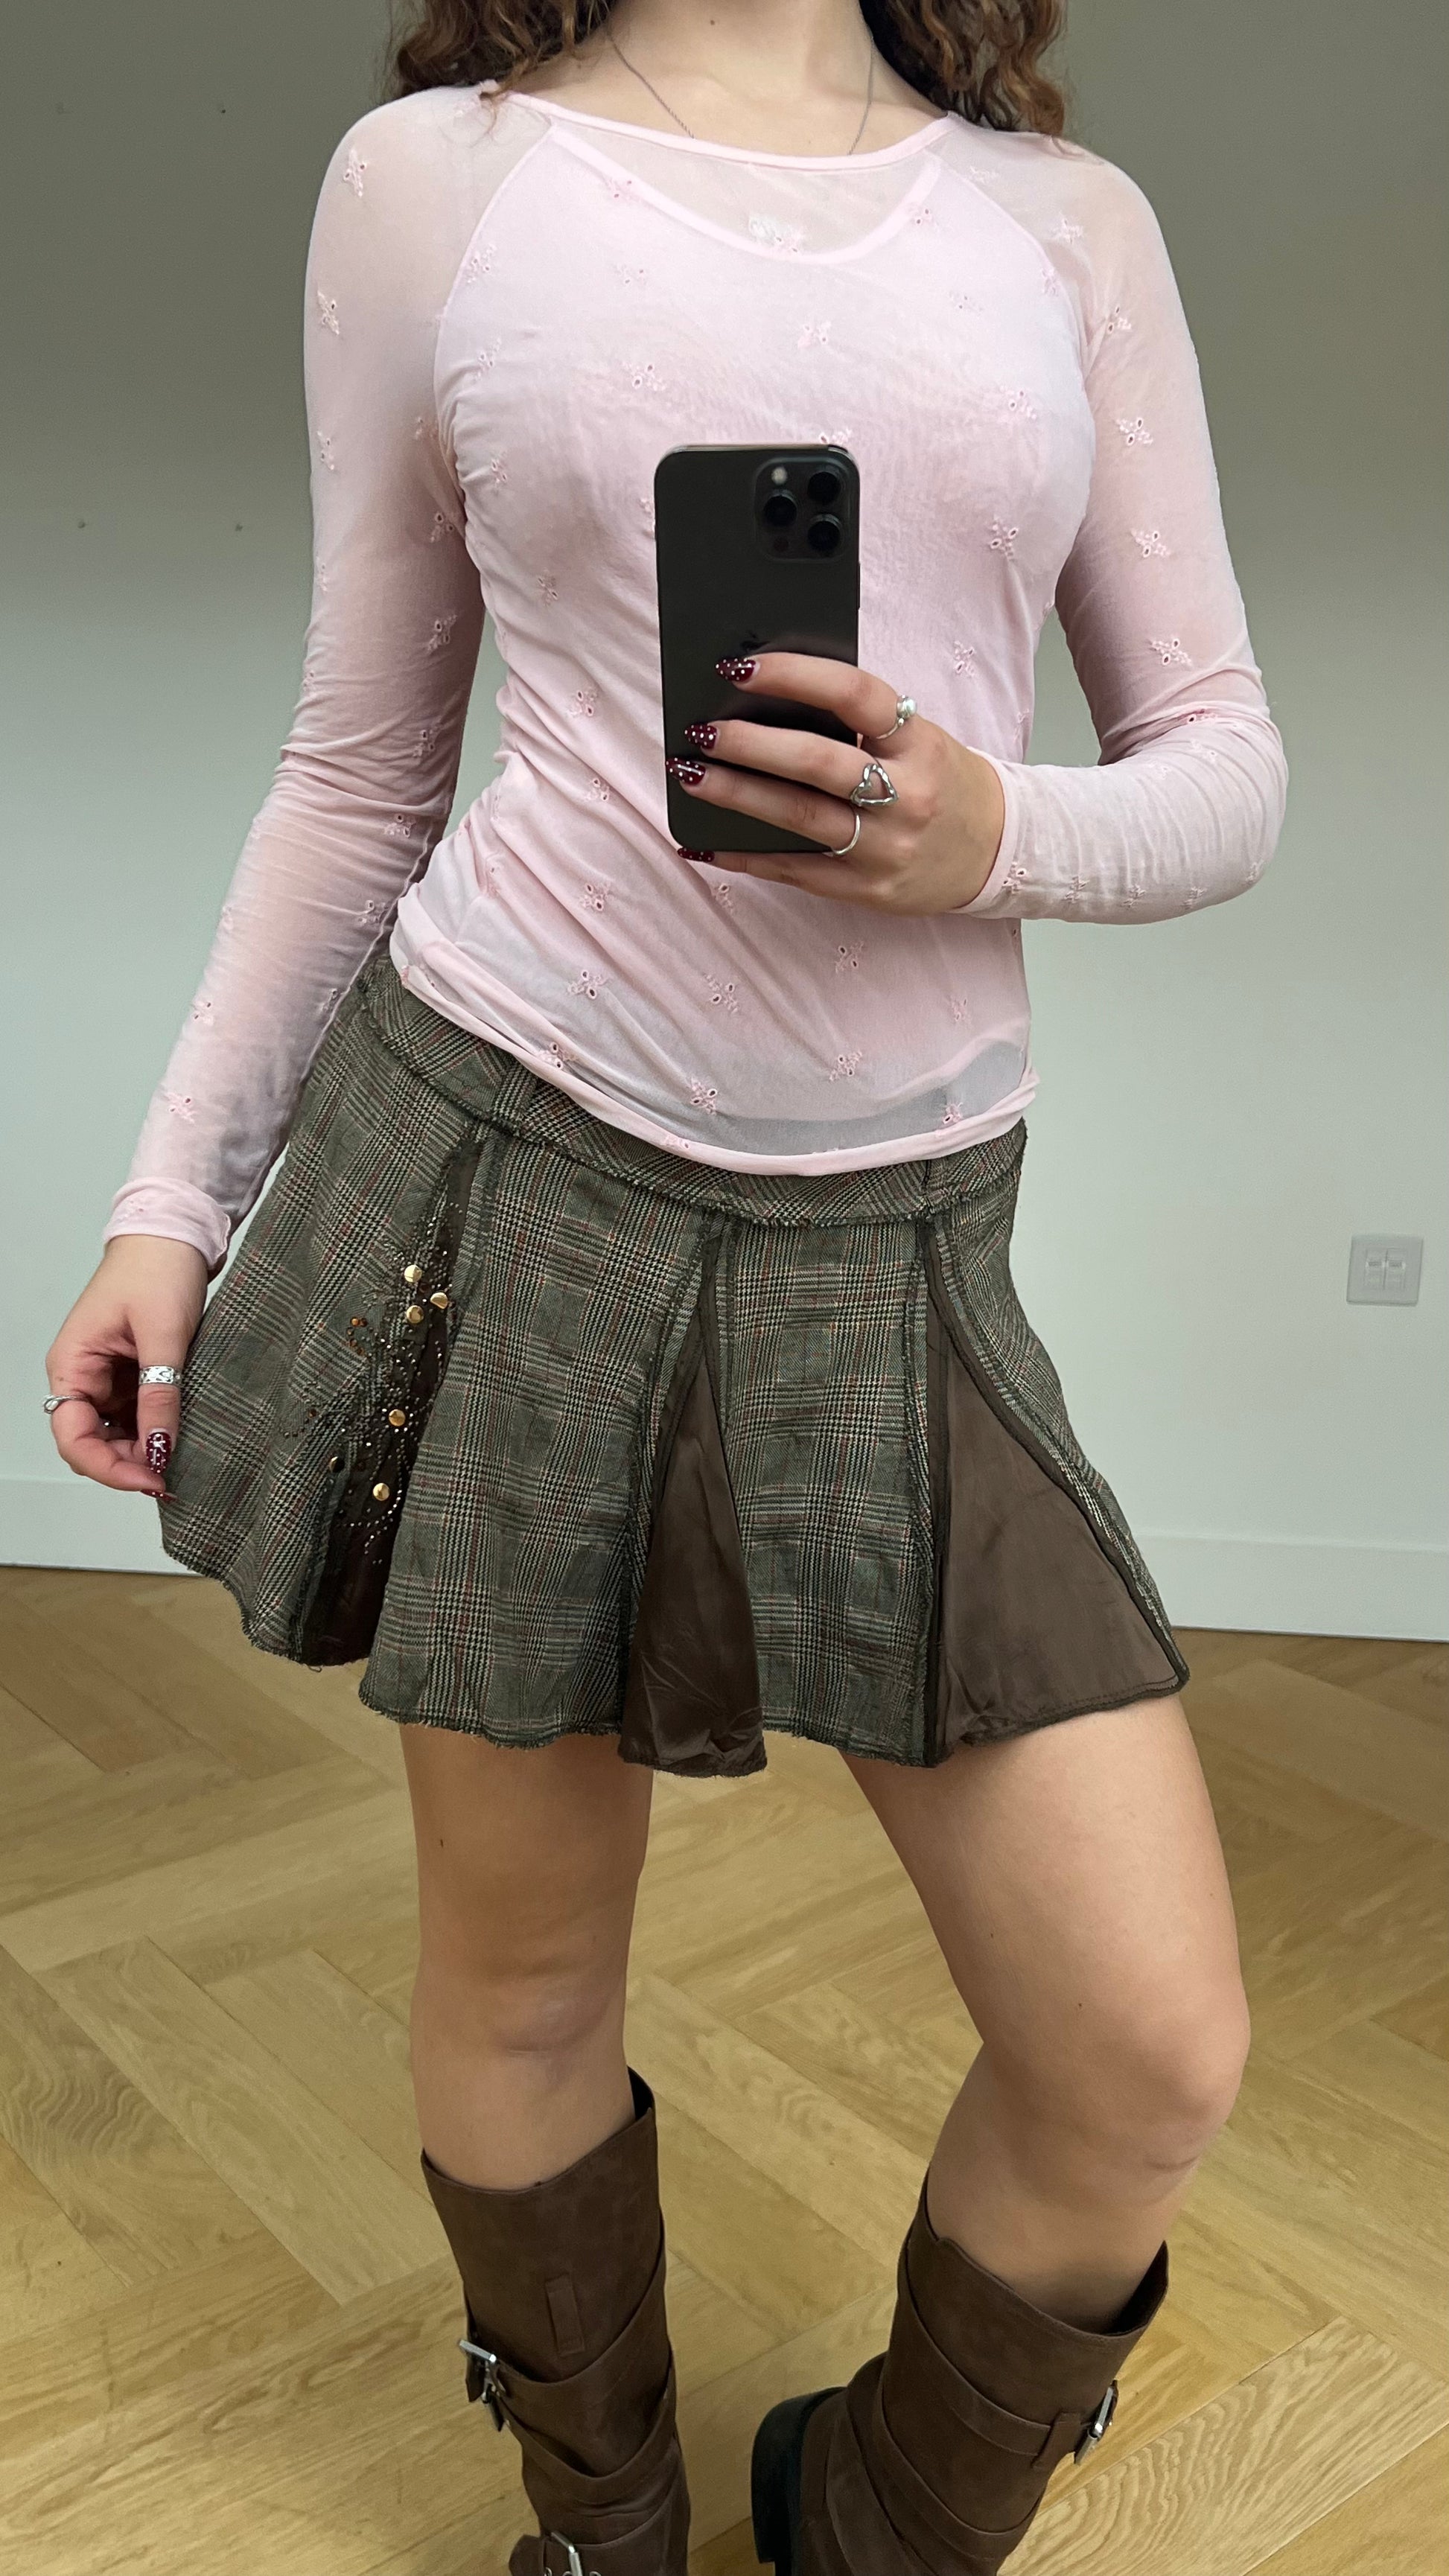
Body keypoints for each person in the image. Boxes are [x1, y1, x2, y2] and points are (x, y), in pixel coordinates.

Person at [45, 3, 1286, 2569]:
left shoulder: (1060, 227)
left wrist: (983, 829)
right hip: (506, 1174)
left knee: (1145, 2051)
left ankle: (866, 2523)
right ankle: (596, 2529)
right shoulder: (439, 180)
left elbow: (1224, 765)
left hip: (899, 1240)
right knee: (522, 1979)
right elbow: (361, 764)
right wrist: (171, 1195)